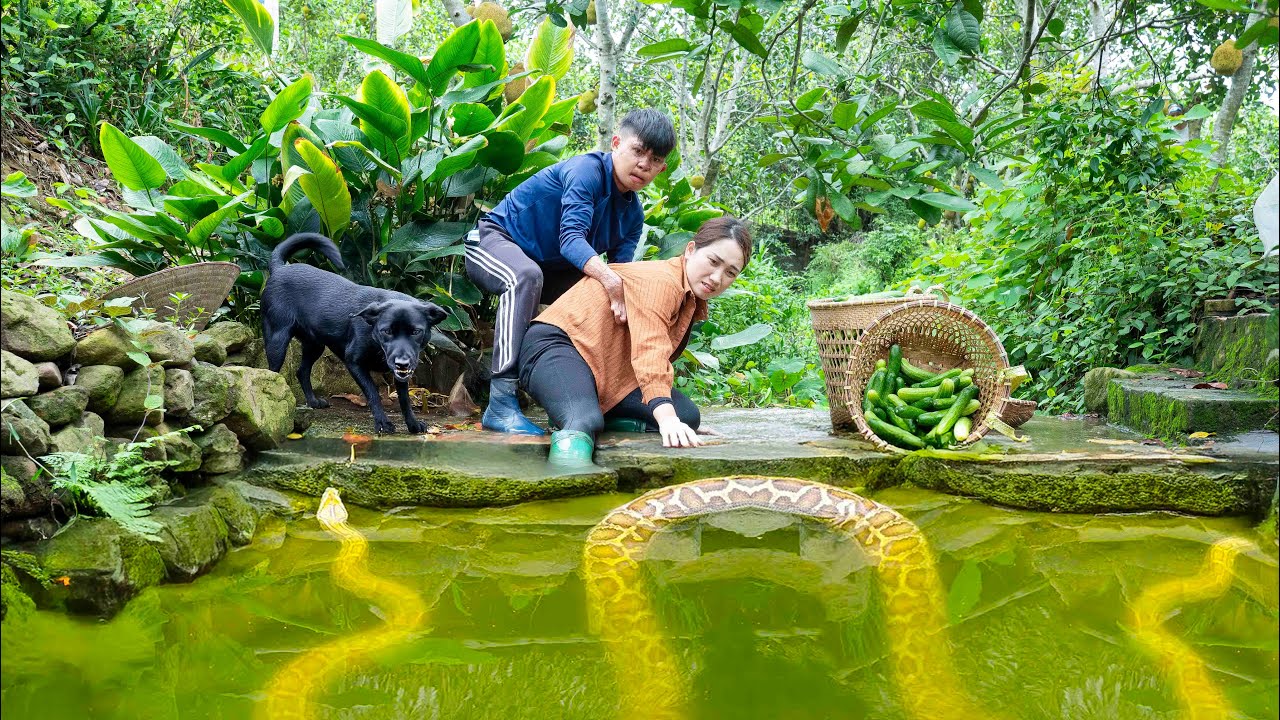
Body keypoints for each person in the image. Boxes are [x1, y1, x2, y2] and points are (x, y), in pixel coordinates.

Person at [464, 109, 676, 435]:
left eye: (654, 159)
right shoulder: (586, 171)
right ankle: (501, 404)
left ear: (661, 168)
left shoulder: (632, 215)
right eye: (638, 151)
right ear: (616, 143)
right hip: (494, 240)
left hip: (551, 268)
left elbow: (623, 274)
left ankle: (580, 402)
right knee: (527, 277)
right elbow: (571, 240)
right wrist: (610, 280)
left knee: (603, 303)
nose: (644, 164)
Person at [518, 215, 752, 467]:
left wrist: (674, 420)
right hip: (556, 346)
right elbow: (649, 350)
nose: (717, 278)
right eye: (713, 261)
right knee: (584, 421)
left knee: (687, 416)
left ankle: (584, 409)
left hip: (605, 367)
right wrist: (667, 420)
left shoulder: (690, 296)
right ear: (691, 250)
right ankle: (567, 487)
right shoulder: (661, 282)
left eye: (730, 272)